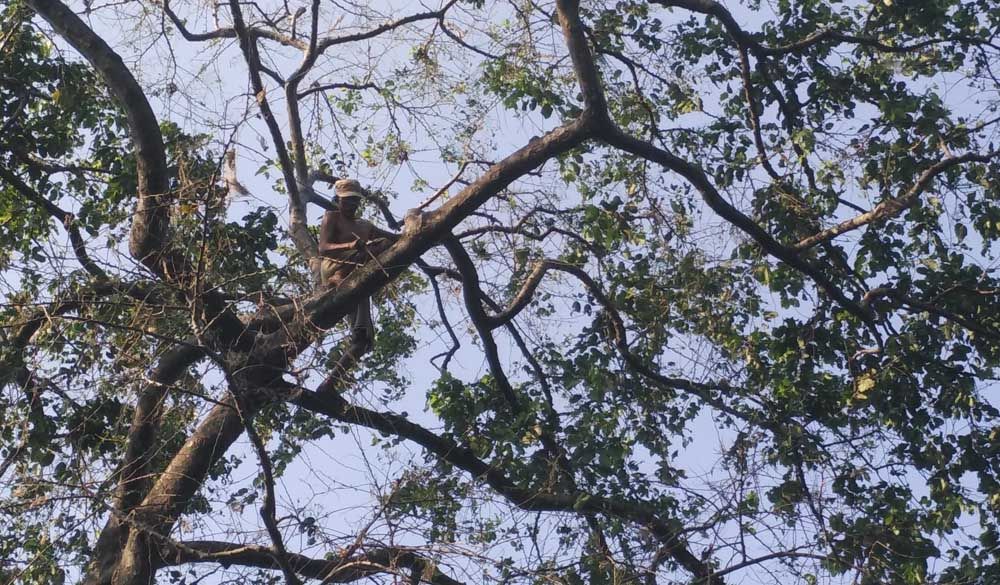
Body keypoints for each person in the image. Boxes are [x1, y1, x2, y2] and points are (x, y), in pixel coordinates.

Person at [318, 179, 399, 382]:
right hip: (335, 266)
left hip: (358, 274)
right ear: (338, 200)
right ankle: (338, 278)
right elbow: (323, 248)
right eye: (347, 201)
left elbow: (393, 239)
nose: (351, 205)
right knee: (371, 252)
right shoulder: (332, 217)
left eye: (355, 200)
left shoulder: (365, 225)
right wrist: (351, 245)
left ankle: (358, 339)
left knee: (382, 245)